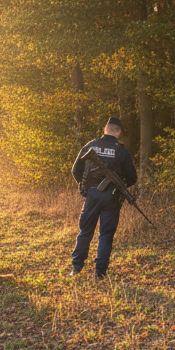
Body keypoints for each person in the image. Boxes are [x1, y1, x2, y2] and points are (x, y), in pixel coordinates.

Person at [69, 117, 139, 280]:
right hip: (111, 198)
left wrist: (87, 187)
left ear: (105, 129)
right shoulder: (121, 150)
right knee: (106, 234)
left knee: (85, 231)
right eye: (121, 132)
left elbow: (75, 170)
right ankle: (100, 273)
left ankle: (76, 267)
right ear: (116, 131)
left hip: (92, 195)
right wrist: (119, 188)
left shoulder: (91, 145)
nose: (121, 135)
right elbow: (132, 178)